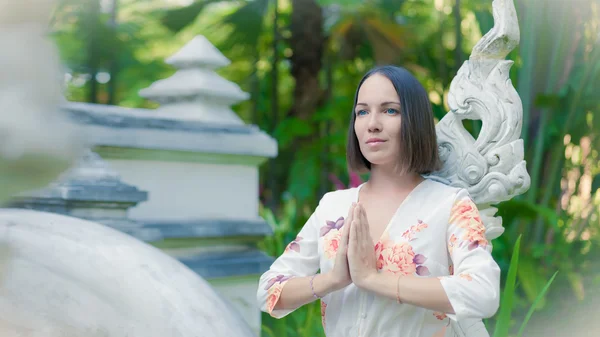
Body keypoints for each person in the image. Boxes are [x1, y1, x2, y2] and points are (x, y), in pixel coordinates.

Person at [256, 65, 501, 337]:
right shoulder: (333, 207)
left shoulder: (449, 205)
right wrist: (333, 280)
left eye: (390, 110)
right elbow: (268, 291)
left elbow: (483, 292)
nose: (372, 123)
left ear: (415, 121)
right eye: (362, 112)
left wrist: (374, 280)